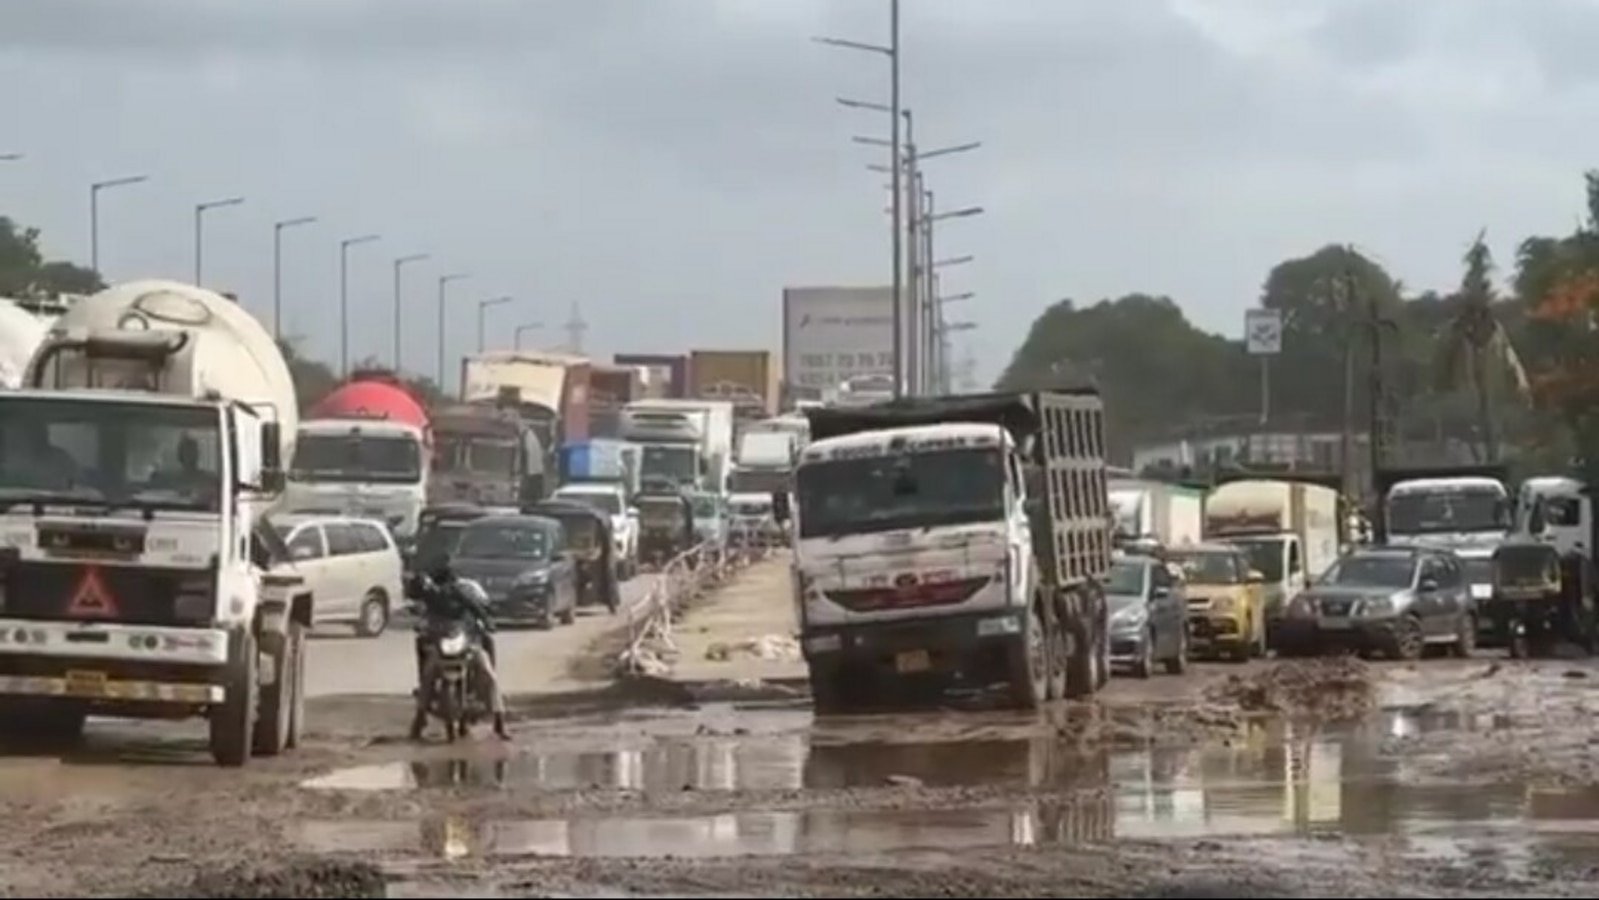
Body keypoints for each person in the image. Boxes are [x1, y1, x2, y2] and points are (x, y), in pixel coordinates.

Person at [409, 564, 510, 741]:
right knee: (428, 676)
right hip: (443, 645)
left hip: (467, 643)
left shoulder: (465, 593)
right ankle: (419, 720)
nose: (446, 589)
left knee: (487, 673)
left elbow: (477, 609)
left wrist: (487, 622)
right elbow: (422, 613)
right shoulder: (433, 597)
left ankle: (500, 722)